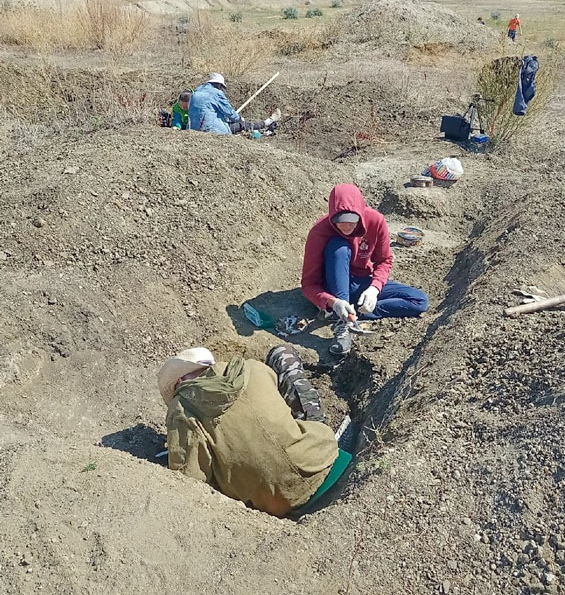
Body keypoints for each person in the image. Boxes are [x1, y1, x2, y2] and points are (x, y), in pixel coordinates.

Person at [158, 345, 341, 517]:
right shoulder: (251, 367)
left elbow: (189, 480)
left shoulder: (182, 407)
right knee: (282, 353)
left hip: (277, 503)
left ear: (180, 381)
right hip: (322, 457)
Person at [301, 183, 429, 356]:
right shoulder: (319, 232)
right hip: (333, 286)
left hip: (359, 282)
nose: (346, 227)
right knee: (338, 246)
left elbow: (384, 260)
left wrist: (374, 289)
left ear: (360, 215)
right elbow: (309, 284)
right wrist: (332, 301)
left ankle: (353, 313)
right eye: (340, 222)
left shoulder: (375, 221)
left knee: (419, 301)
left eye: (352, 221)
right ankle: (344, 322)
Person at [188, 72, 281, 135]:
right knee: (241, 125)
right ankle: (267, 122)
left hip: (193, 128)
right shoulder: (216, 93)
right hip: (211, 129)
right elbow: (229, 111)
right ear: (219, 85)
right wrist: (239, 118)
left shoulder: (196, 91)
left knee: (231, 123)